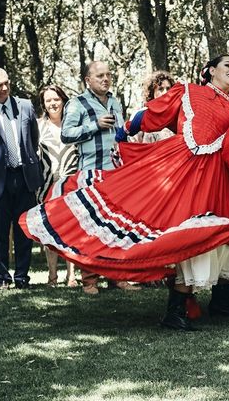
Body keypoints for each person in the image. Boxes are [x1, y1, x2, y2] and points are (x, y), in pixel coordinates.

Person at [20, 54, 229, 331]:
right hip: (185, 170)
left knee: (224, 232)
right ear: (210, 71)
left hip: (219, 178)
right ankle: (176, 309)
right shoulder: (189, 92)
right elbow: (152, 114)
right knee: (189, 232)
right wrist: (124, 131)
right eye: (227, 65)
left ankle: (222, 302)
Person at [60, 60, 140, 294]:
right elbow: (66, 134)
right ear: (88, 80)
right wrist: (94, 125)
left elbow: (119, 135)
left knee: (117, 224)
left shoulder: (115, 101)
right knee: (92, 226)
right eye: (99, 76)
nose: (105, 79)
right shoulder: (77, 103)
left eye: (108, 75)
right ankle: (89, 280)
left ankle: (118, 277)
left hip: (116, 172)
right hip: (91, 172)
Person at [0, 66, 42, 290]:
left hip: (24, 177)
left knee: (24, 228)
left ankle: (22, 277)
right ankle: (2, 277)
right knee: (0, 232)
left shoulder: (25, 106)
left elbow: (33, 139)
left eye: (6, 83)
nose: (4, 88)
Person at [36, 84, 78, 286]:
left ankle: (72, 276)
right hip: (45, 185)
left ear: (63, 100)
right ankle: (52, 276)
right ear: (44, 104)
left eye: (56, 99)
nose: (53, 103)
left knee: (71, 229)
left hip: (70, 185)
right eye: (48, 100)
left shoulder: (73, 125)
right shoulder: (37, 126)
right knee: (48, 230)